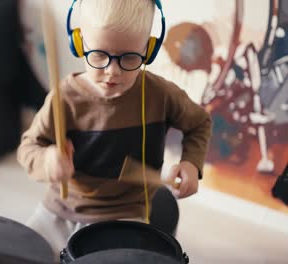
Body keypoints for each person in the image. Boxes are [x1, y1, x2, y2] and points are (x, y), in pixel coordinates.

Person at [17, 0, 212, 258]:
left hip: (125, 214)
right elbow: (28, 148)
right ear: (79, 43)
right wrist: (47, 159)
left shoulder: (160, 94)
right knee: (20, 254)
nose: (112, 71)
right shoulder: (65, 98)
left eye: (129, 57)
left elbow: (199, 123)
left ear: (148, 49)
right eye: (99, 54)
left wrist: (191, 163)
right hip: (59, 209)